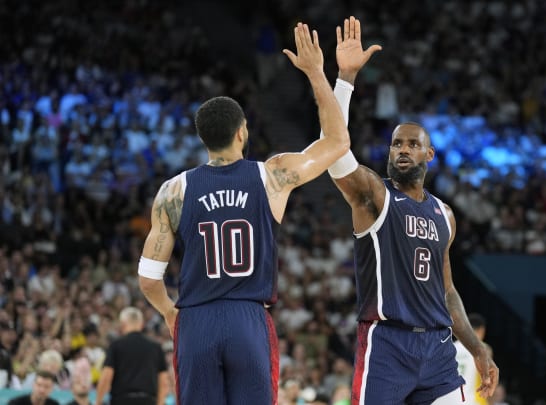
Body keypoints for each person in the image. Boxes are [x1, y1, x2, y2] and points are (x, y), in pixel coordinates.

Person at [137, 22, 351, 404]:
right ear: (241, 133)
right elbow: (336, 142)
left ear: (205, 139)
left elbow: (149, 279)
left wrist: (173, 315)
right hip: (248, 319)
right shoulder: (272, 175)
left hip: (196, 320)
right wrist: (318, 73)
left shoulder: (173, 191)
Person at [324, 16, 498, 404]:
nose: (402, 149)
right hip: (387, 343)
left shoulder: (445, 215)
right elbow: (334, 152)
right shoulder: (375, 196)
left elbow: (448, 291)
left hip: (438, 348)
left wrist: (475, 347)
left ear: (429, 155)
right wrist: (346, 80)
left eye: (412, 144)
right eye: (396, 143)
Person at [93, 307, 168, 405]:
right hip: (148, 400)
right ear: (141, 325)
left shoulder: (116, 345)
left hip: (121, 400)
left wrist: (98, 401)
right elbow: (163, 382)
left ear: (122, 325)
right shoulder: (156, 347)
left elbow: (106, 376)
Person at [455, 313, 492, 405]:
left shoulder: (450, 348)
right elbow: (488, 382)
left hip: (448, 399)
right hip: (471, 401)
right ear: (481, 330)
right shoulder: (484, 349)